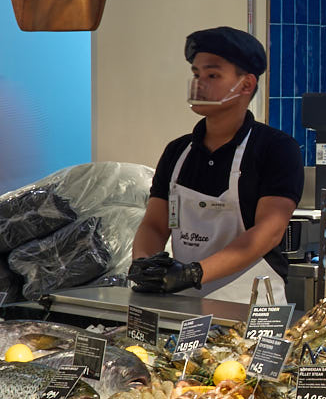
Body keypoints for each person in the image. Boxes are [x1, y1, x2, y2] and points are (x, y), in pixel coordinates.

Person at [129, 28, 302, 301]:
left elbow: (268, 232)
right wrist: (144, 264)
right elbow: (155, 224)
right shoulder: (178, 152)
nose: (199, 83)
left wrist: (193, 274)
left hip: (250, 306)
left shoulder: (276, 149)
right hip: (181, 303)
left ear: (246, 85)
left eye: (212, 75)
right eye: (196, 74)